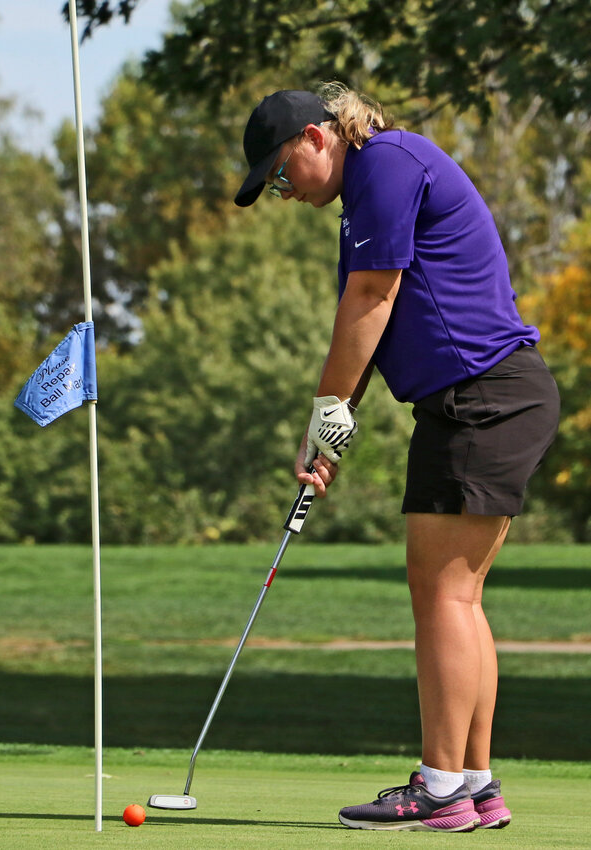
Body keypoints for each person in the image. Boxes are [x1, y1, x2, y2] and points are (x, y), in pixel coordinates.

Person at [234, 85, 560, 832]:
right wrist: (332, 438)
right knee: (459, 599)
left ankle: (439, 785)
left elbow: (371, 298)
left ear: (317, 138)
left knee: (441, 595)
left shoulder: (381, 161)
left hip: (480, 399)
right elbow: (378, 326)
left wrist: (324, 412)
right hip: (483, 399)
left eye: (281, 175)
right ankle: (472, 784)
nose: (283, 194)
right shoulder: (376, 180)